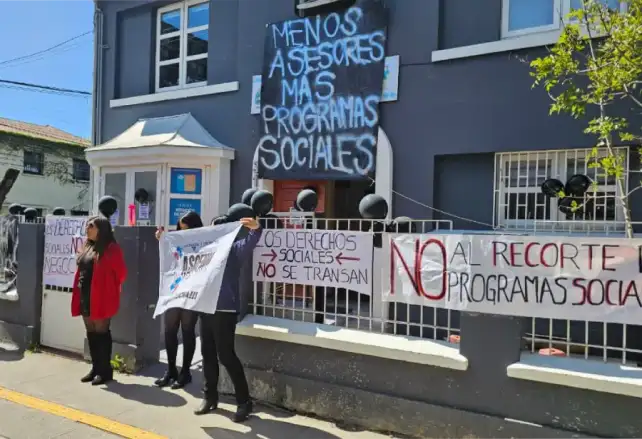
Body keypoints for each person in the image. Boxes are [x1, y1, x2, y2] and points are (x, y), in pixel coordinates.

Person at [195, 216, 262, 423]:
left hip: (224, 310)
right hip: (206, 307)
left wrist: (256, 228)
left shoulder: (234, 250)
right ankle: (209, 397)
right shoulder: (205, 251)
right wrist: (164, 240)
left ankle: (244, 402)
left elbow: (251, 240)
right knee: (207, 354)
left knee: (226, 355)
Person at [72, 216, 127, 386]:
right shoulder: (88, 246)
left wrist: (109, 287)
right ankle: (95, 368)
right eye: (87, 226)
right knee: (91, 332)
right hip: (85, 294)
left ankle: (105, 371)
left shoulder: (111, 248)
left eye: (91, 226)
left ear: (101, 229)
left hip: (102, 296)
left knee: (102, 332)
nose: (87, 229)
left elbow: (121, 273)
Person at [154, 211, 202, 389]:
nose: (183, 232)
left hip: (191, 291)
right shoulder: (176, 240)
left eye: (186, 229)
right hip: (175, 290)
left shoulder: (202, 242)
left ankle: (186, 372)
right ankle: (171, 370)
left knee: (187, 330)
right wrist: (161, 239)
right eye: (180, 228)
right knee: (170, 329)